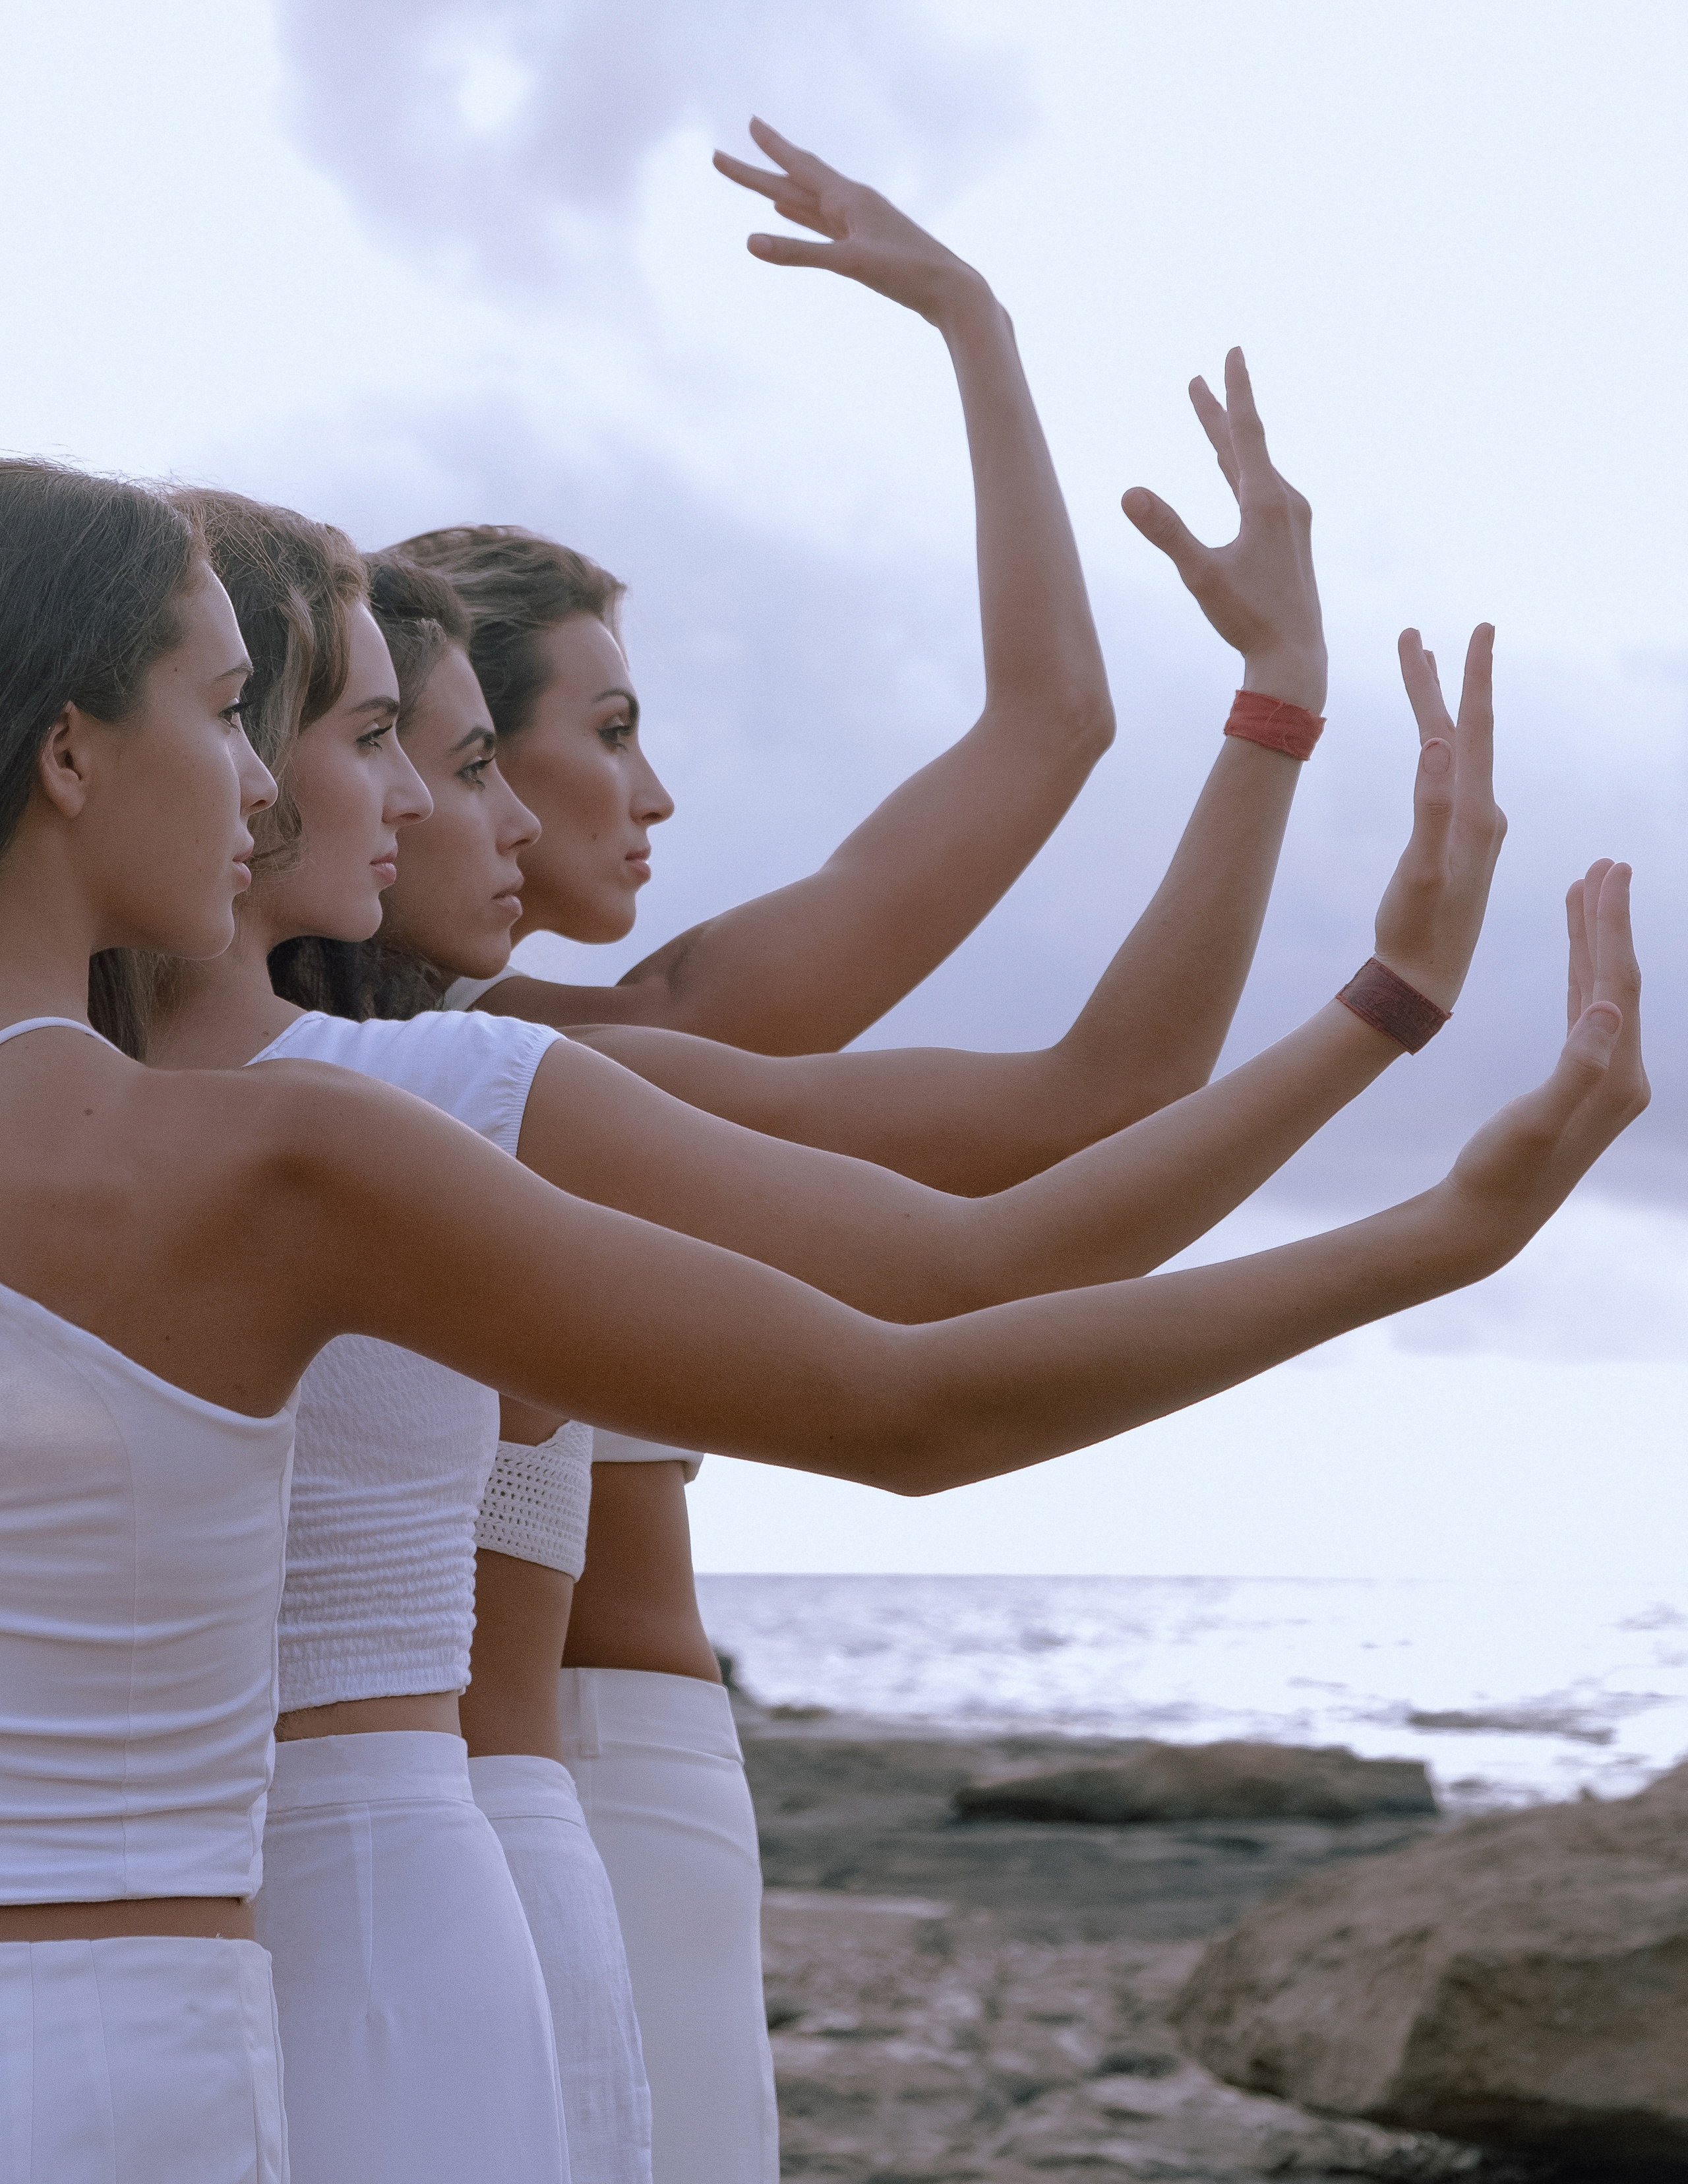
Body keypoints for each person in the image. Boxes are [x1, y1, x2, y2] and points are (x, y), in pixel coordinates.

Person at [11, 454, 1646, 2183]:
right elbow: (922, 1377)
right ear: (67, 749)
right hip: (238, 1977)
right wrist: (1443, 1221)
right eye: (251, 717)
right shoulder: (311, 1147)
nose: (269, 784)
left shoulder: (356, 1115)